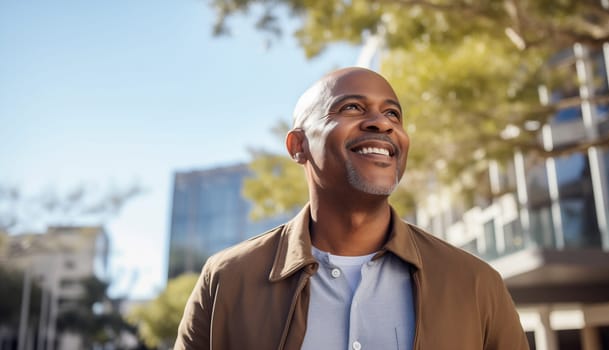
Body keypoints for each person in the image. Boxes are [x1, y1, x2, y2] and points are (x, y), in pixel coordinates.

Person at [174, 67, 529, 350]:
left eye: (393, 113)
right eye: (352, 108)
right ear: (298, 145)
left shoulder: (476, 285)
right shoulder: (226, 280)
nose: (382, 122)